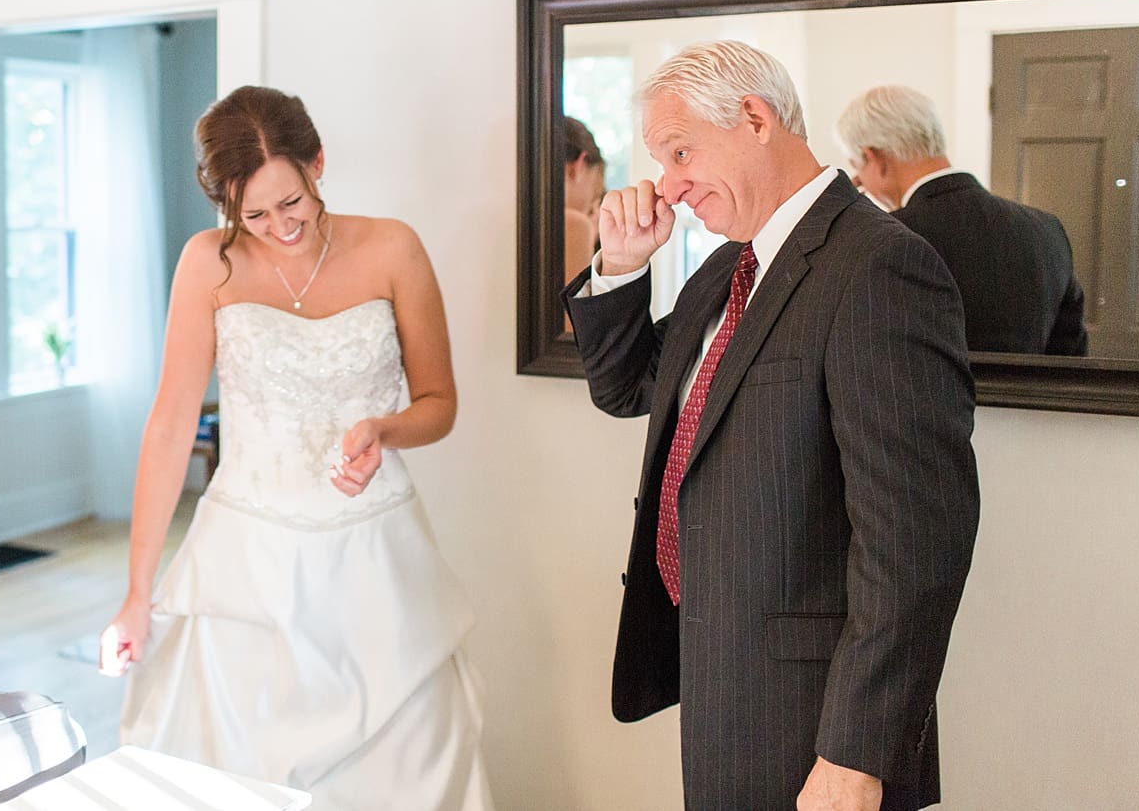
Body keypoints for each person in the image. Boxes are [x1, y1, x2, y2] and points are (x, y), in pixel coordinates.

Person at [561, 41, 980, 811]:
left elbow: (916, 538)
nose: (668, 184)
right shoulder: (724, 269)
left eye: (680, 151)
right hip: (719, 679)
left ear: (754, 118)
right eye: (660, 159)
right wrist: (620, 264)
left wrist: (857, 751)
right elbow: (628, 390)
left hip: (820, 718)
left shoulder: (880, 266)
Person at [102, 84, 493, 810]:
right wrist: (135, 594)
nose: (278, 226)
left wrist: (385, 427)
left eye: (292, 202)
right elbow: (167, 428)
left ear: (317, 164)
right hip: (245, 564)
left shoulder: (392, 247)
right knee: (232, 772)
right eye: (252, 213)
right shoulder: (207, 263)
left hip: (375, 562)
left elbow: (440, 404)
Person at [836, 83, 1088, 355]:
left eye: (858, 167)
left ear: (876, 158)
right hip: (1027, 398)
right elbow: (1071, 360)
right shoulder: (1046, 229)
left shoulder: (884, 239)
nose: (860, 182)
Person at [563, 115, 606, 285]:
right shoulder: (576, 225)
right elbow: (570, 312)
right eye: (596, 194)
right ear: (579, 166)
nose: (593, 208)